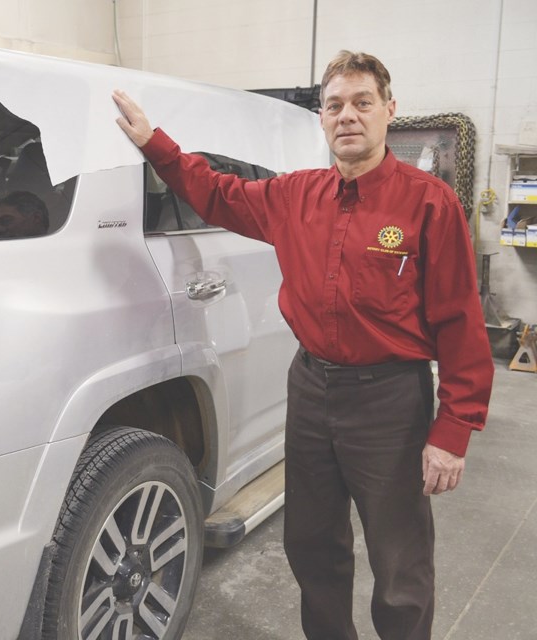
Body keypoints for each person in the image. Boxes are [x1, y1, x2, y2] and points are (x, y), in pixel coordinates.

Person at [114, 51, 494, 640]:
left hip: (391, 400)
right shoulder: (294, 196)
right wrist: (156, 145)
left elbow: (460, 322)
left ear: (389, 111)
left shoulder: (427, 203)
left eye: (362, 103)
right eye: (335, 105)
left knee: (400, 561)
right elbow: (216, 193)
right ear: (321, 119)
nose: (348, 116)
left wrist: (452, 432)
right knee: (312, 544)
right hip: (313, 390)